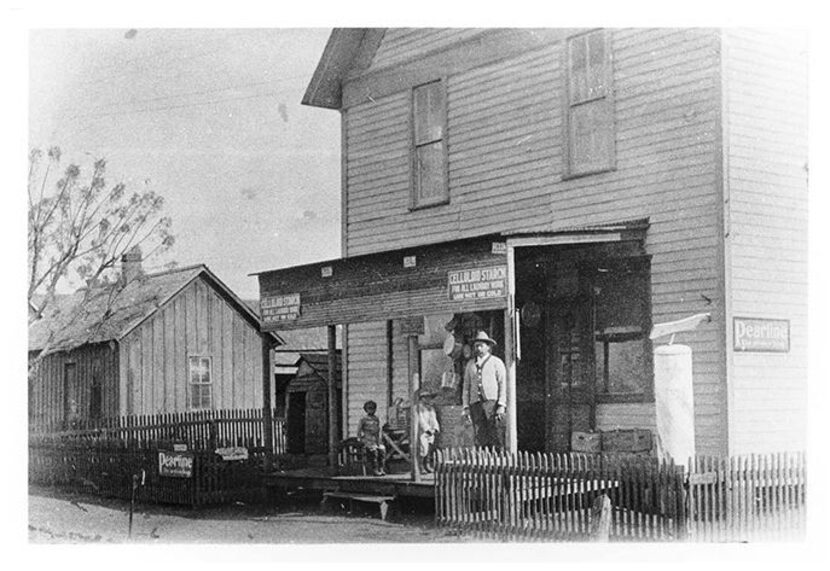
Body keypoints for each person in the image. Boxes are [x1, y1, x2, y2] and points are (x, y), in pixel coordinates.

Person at [462, 331, 507, 449]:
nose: (478, 348)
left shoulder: (496, 362)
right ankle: (482, 460)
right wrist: (466, 407)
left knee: (495, 433)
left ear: (488, 347)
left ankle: (498, 460)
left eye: (481, 345)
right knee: (479, 434)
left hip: (492, 403)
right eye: (476, 345)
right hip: (475, 404)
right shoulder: (470, 365)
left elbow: (503, 384)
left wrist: (501, 405)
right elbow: (466, 387)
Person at [414, 388, 440, 474]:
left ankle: (427, 465)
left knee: (429, 448)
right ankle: (420, 466)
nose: (428, 399)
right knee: (423, 448)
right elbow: (420, 419)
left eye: (429, 397)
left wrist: (435, 428)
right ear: (422, 398)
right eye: (426, 397)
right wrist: (426, 429)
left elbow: (434, 419)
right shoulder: (418, 407)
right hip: (422, 431)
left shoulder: (431, 408)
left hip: (430, 431)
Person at [357, 400, 386, 476]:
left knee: (382, 451)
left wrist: (379, 440)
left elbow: (378, 429)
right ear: (366, 409)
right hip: (368, 439)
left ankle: (381, 469)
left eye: (373, 408)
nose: (371, 410)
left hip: (376, 439)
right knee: (374, 453)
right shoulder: (363, 419)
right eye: (369, 408)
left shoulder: (376, 418)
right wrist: (359, 439)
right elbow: (359, 430)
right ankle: (375, 470)